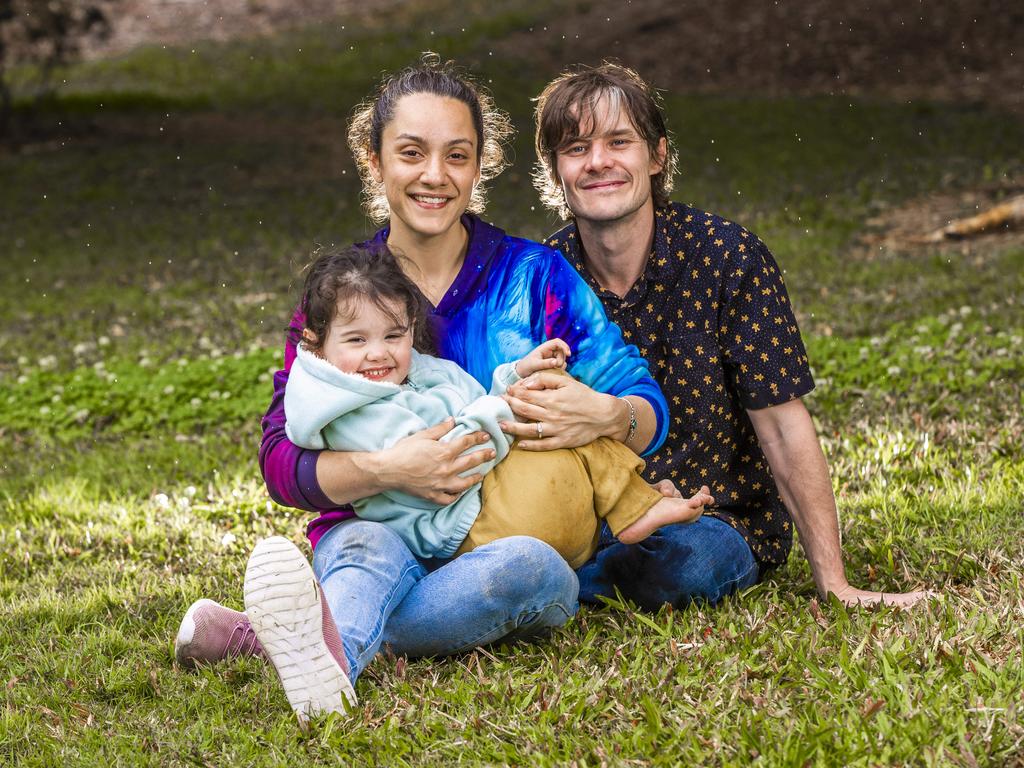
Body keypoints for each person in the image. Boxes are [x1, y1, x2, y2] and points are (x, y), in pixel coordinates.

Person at [174, 54, 677, 723]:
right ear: (376, 162)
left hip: (504, 556)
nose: (434, 176)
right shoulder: (344, 295)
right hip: (375, 539)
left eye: (457, 155)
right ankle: (331, 667)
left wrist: (608, 414)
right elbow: (282, 462)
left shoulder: (535, 276)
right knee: (363, 550)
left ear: (479, 166)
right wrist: (389, 468)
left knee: (531, 570)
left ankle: (284, 638)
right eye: (411, 152)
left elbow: (647, 408)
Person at [524, 61, 934, 610]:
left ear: (657, 155)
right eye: (576, 148)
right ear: (555, 171)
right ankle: (561, 574)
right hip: (592, 514)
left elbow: (784, 427)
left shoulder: (729, 258)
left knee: (687, 566)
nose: (598, 162)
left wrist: (834, 582)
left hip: (715, 517)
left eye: (619, 141)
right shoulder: (541, 278)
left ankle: (557, 586)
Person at [284, 243, 713, 565]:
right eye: (357, 340)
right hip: (456, 525)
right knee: (541, 406)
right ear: (316, 344)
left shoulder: (419, 367)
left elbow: (475, 399)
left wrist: (518, 374)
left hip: (487, 501)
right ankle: (629, 504)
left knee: (551, 391)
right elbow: (455, 452)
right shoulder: (348, 405)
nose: (378, 353)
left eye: (393, 336)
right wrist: (514, 402)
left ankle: (629, 503)